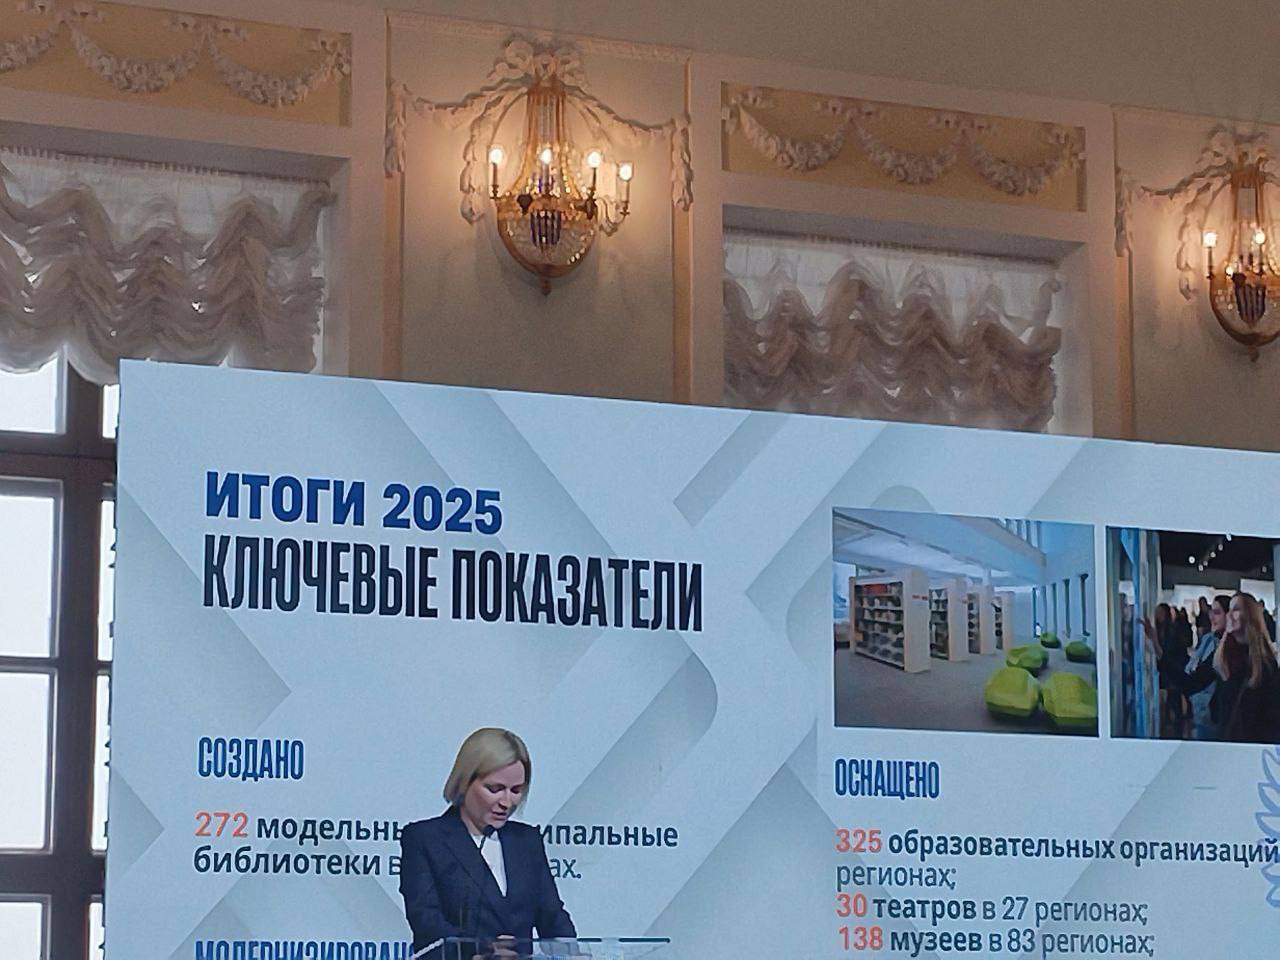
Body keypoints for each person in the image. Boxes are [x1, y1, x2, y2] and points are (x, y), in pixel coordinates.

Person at [399, 728, 576, 959]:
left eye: (516, 790)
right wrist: (483, 950)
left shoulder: (527, 841)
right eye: (495, 789)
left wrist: (572, 953)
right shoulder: (426, 839)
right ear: (465, 782)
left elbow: (553, 917)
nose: (507, 802)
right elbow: (427, 922)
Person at [1214, 593, 1280, 743]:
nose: (1229, 615)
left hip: (1254, 747)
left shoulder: (1265, 664)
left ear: (1249, 615)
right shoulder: (1223, 658)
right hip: (1227, 745)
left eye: (1236, 609)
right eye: (1229, 610)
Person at [1181, 595, 1230, 740]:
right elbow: (1193, 670)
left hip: (1213, 714)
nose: (1212, 617)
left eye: (1217, 613)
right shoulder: (1209, 639)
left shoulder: (1228, 648)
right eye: (1211, 612)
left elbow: (1201, 676)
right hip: (1202, 709)